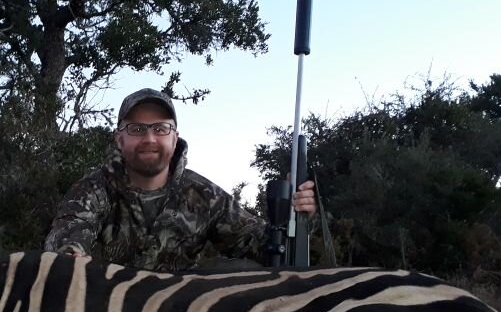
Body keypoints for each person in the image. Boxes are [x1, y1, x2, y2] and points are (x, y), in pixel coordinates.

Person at [44, 87, 317, 272]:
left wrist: (299, 215)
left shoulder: (204, 195)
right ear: (120, 138)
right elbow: (69, 237)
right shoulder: (92, 190)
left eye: (161, 128)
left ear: (175, 138)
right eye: (137, 129)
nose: (149, 139)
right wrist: (70, 258)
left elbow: (263, 245)